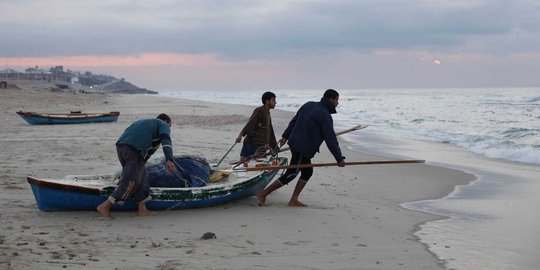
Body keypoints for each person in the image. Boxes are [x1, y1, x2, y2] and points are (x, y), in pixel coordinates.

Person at [257, 89, 346, 207]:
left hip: (295, 143)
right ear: (331, 99)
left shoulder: (309, 105)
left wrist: (285, 136)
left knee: (307, 172)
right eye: (337, 100)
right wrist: (339, 158)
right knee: (292, 173)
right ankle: (264, 194)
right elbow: (331, 140)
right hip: (303, 148)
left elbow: (294, 121)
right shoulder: (325, 116)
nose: (337, 103)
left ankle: (293, 199)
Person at [97, 113, 177, 219]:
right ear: (167, 122)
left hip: (121, 146)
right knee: (131, 181)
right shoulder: (163, 124)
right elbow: (166, 140)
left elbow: (143, 152)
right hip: (134, 150)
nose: (169, 128)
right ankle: (105, 206)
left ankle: (142, 209)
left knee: (143, 176)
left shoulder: (145, 123)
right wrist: (169, 159)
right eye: (169, 126)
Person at [235, 91, 278, 163]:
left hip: (260, 145)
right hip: (253, 144)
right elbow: (250, 123)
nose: (275, 102)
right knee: (244, 164)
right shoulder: (259, 110)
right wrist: (240, 135)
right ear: (267, 101)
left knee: (245, 164)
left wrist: (274, 147)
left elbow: (270, 130)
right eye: (273, 100)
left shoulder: (267, 112)